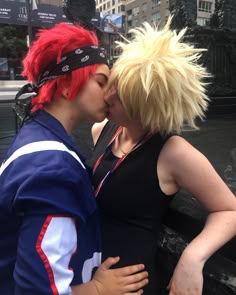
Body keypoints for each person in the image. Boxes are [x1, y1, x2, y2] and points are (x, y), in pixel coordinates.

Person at [90, 18, 236, 295]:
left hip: (133, 285)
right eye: (112, 85)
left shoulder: (173, 153)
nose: (107, 97)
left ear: (145, 109)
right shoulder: (103, 129)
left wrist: (192, 258)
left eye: (119, 97)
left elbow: (230, 210)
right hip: (92, 273)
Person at [0, 23, 148, 295]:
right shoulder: (54, 172)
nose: (110, 94)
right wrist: (97, 288)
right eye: (102, 82)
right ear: (67, 85)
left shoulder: (35, 137)